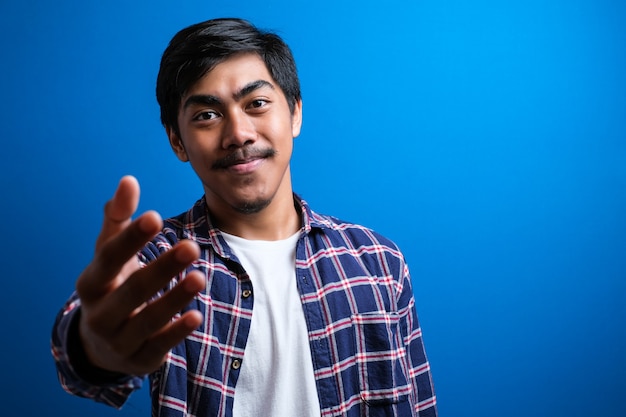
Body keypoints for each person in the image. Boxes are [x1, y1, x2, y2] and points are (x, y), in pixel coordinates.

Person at [51, 18, 437, 417]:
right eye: (206, 115)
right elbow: (83, 348)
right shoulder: (161, 264)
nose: (238, 133)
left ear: (295, 114)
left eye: (256, 103)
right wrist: (93, 346)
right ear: (177, 141)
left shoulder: (378, 262)